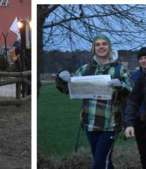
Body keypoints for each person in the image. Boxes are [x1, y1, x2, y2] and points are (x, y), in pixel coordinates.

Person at [56, 34, 133, 169]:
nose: (101, 47)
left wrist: (120, 86)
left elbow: (131, 91)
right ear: (93, 49)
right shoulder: (86, 69)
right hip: (90, 122)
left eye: (104, 44)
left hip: (110, 123)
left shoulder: (120, 69)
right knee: (104, 161)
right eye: (97, 44)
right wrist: (61, 79)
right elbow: (67, 89)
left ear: (109, 47)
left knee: (99, 164)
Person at [127, 47, 146, 169]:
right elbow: (132, 99)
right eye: (141, 59)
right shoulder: (134, 76)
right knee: (143, 152)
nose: (143, 61)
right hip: (139, 120)